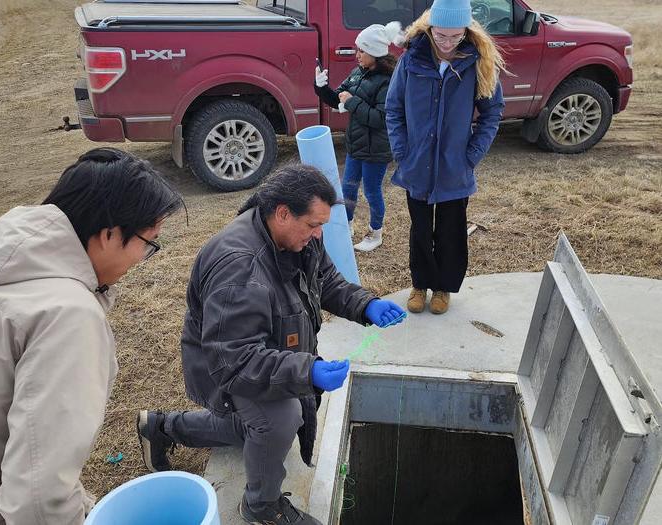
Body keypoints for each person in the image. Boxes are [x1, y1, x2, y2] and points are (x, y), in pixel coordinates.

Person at [136, 164, 405, 525]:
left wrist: (365, 304)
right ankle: (261, 506)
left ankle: (163, 427)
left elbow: (323, 279)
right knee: (280, 419)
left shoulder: (298, 237)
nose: (318, 234)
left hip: (264, 354)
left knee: (257, 424)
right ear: (281, 213)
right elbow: (234, 359)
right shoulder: (240, 268)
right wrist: (307, 371)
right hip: (225, 366)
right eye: (313, 225)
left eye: (322, 224)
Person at [0, 148, 183, 524]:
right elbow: (38, 495)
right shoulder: (67, 315)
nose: (143, 259)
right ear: (110, 233)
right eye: (149, 244)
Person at [385, 0, 506, 314]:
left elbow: (492, 114)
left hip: (455, 167)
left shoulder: (477, 61)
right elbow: (394, 109)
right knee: (420, 228)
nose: (448, 43)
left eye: (455, 36)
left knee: (451, 230)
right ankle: (420, 284)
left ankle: (443, 288)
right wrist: (402, 151)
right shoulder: (411, 59)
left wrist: (471, 156)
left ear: (466, 31)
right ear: (430, 28)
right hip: (416, 164)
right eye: (441, 36)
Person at [314, 22, 404, 252]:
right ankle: (346, 226)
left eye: (361, 50)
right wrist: (321, 88)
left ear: (375, 53)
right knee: (348, 187)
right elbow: (338, 99)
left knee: (372, 190)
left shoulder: (388, 81)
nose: (357, 55)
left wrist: (352, 102)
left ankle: (376, 232)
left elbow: (381, 118)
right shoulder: (358, 73)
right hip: (356, 145)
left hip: (377, 149)